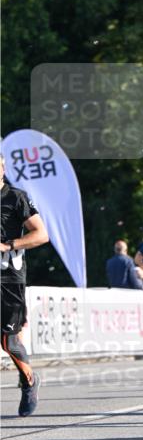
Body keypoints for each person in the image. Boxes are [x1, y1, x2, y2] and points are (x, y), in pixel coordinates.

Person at [0, 153, 49, 416]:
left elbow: (41, 234)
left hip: (9, 278)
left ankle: (29, 380)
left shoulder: (16, 197)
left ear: (2, 168)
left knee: (8, 341)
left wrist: (8, 245)